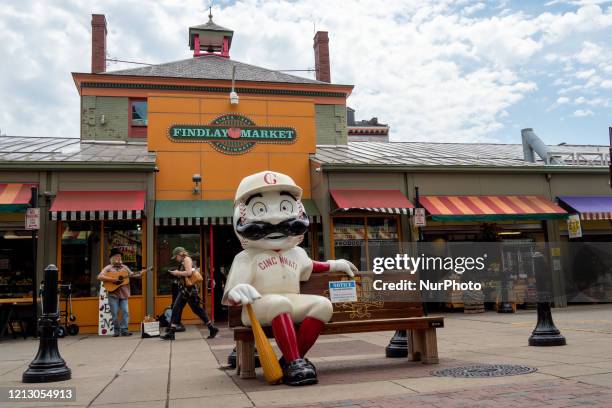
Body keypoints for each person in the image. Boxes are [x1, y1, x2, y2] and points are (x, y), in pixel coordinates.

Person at [222, 171, 356, 386]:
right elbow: (234, 292)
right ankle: (295, 361)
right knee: (279, 303)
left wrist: (335, 264)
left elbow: (312, 266)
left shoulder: (297, 253)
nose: (275, 218)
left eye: (284, 207)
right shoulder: (246, 257)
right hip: (258, 306)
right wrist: (237, 292)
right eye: (261, 209)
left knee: (323, 305)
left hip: (289, 301)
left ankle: (292, 360)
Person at [161, 247, 219, 340]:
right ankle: (171, 332)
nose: (176, 259)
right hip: (185, 289)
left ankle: (212, 328)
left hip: (189, 290)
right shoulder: (184, 261)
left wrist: (177, 273)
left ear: (180, 254)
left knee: (195, 309)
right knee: (177, 308)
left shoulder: (187, 259)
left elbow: (188, 273)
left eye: (176, 257)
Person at [97, 248, 145, 337]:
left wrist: (141, 274)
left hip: (124, 294)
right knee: (114, 313)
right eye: (116, 256)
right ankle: (116, 330)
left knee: (125, 312)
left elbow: (133, 275)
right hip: (113, 294)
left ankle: (124, 330)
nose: (118, 258)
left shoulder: (125, 267)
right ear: (112, 258)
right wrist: (113, 279)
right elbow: (100, 276)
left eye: (119, 256)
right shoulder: (108, 268)